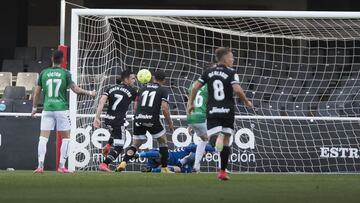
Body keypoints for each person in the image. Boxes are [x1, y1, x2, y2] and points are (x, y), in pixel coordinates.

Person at [187, 47, 253, 181]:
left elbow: (195, 87)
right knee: (227, 141)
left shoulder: (208, 72)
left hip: (212, 111)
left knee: (212, 138)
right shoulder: (231, 72)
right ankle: (222, 171)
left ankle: (218, 138)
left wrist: (190, 103)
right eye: (231, 57)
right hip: (227, 110)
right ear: (225, 58)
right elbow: (237, 89)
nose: (233, 60)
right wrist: (246, 101)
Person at [32, 50, 96, 173]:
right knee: (66, 138)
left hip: (47, 109)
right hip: (61, 109)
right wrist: (90, 93)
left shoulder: (43, 73)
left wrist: (34, 108)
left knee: (43, 138)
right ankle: (61, 166)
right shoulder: (65, 73)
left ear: (52, 59)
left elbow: (37, 92)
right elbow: (75, 89)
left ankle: (40, 166)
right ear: (62, 60)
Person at [117, 70, 174, 173]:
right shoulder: (163, 91)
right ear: (164, 80)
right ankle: (164, 168)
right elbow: (165, 108)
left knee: (136, 144)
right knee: (163, 141)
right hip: (152, 119)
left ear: (153, 78)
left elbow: (135, 106)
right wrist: (170, 123)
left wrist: (139, 116)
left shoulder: (142, 89)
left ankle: (124, 162)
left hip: (138, 118)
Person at [93, 70, 137, 172]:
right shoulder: (132, 91)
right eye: (133, 78)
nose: (134, 81)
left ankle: (108, 145)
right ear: (126, 79)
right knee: (119, 146)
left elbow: (101, 102)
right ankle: (104, 164)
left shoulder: (110, 88)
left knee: (116, 133)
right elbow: (137, 104)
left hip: (108, 119)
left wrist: (97, 117)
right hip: (119, 120)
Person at [139, 143, 214, 173]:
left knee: (178, 169)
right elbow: (202, 146)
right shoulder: (189, 149)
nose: (205, 154)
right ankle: (139, 154)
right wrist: (215, 148)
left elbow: (187, 170)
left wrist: (184, 164)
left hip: (163, 165)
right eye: (205, 152)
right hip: (164, 156)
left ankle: (151, 170)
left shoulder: (193, 162)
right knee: (164, 155)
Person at [187, 79, 208, 172]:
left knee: (204, 140)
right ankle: (222, 167)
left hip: (192, 117)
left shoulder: (194, 84)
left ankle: (196, 167)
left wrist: (189, 121)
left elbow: (189, 102)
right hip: (202, 116)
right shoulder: (210, 85)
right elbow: (209, 103)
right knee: (219, 139)